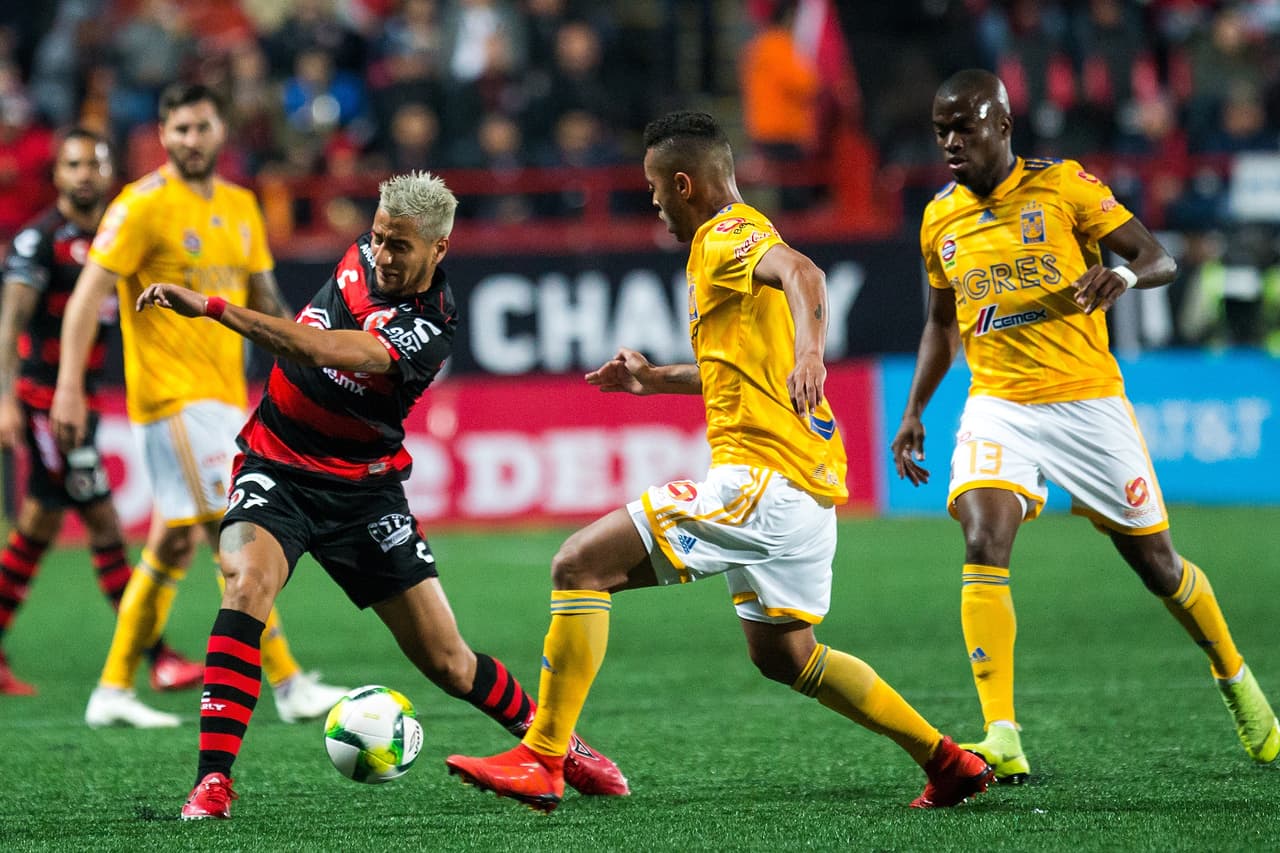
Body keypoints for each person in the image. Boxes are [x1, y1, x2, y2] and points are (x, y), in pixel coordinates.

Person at [444, 111, 994, 813]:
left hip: (762, 481)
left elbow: (804, 271)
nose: (653, 204)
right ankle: (947, 760)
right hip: (803, 488)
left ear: (683, 183)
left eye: (654, 189)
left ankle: (544, 757)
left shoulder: (725, 235)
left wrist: (811, 354)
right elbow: (733, 371)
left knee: (579, 565)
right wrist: (654, 379)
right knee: (787, 655)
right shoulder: (736, 239)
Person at [128, 170, 629, 820]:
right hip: (275, 467)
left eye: (400, 246)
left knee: (449, 662)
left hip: (363, 494)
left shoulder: (429, 328)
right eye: (379, 238)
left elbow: (317, 346)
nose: (384, 255)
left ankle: (560, 747)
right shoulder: (363, 252)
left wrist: (215, 308)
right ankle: (212, 783)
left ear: (439, 248)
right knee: (245, 585)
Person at [890, 68, 1279, 784]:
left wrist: (1122, 277)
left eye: (964, 127)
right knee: (981, 536)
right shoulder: (938, 217)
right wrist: (914, 409)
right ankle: (1002, 732)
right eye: (941, 131)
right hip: (999, 401)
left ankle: (1235, 677)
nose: (950, 143)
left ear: (1003, 126)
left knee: (1157, 565)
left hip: (1085, 400)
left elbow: (1156, 256)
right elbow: (942, 324)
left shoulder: (1063, 187)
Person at [49, 84, 346, 729]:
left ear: (221, 131)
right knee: (234, 536)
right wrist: (69, 384)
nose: (190, 139)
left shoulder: (241, 205)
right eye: (179, 129)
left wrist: (310, 357)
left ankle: (112, 688)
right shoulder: (140, 205)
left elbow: (265, 300)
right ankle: (288, 682)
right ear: (162, 134)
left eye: (201, 127)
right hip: (172, 398)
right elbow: (88, 295)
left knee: (172, 546)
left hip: (224, 398)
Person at [0, 128, 202, 696]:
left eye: (94, 163)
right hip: (45, 402)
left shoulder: (118, 236)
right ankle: (157, 656)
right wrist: (4, 399)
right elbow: (9, 325)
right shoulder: (40, 241)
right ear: (57, 175)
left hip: (80, 400)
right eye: (73, 165)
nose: (84, 174)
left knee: (38, 527)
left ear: (110, 172)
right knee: (105, 525)